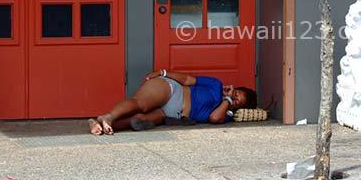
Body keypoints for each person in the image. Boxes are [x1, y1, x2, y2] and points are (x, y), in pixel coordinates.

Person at [88, 69, 257, 135]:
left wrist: (227, 100)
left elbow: (214, 118)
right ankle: (108, 116)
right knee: (141, 104)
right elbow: (187, 79)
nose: (233, 98)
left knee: (140, 120)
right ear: (234, 88)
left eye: (236, 101)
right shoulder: (215, 84)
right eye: (236, 93)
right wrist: (162, 72)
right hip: (172, 91)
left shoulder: (224, 113)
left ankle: (98, 124)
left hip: (171, 113)